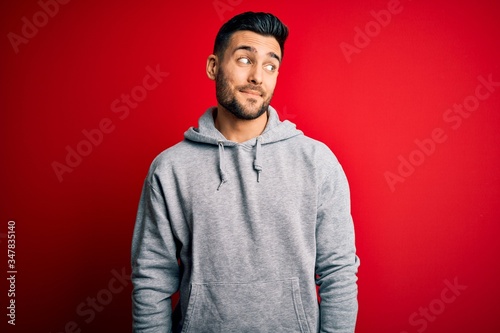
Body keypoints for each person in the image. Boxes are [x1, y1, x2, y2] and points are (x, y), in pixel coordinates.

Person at [131, 11, 359, 333]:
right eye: (244, 60)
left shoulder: (317, 162)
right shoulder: (170, 170)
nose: (257, 77)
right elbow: (151, 280)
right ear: (213, 67)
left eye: (270, 65)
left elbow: (338, 272)